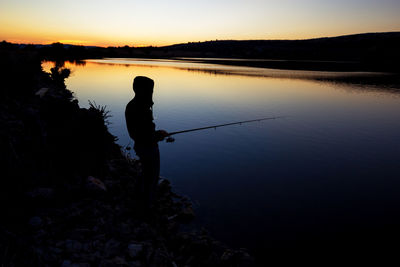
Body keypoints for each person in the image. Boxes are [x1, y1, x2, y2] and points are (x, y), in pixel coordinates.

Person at [125, 76, 168, 208]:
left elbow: (144, 130)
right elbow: (143, 134)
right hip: (147, 147)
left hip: (141, 145)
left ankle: (138, 198)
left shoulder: (134, 105)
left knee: (145, 173)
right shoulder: (139, 107)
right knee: (151, 177)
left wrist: (157, 133)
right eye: (150, 89)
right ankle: (146, 207)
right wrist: (157, 136)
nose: (152, 92)